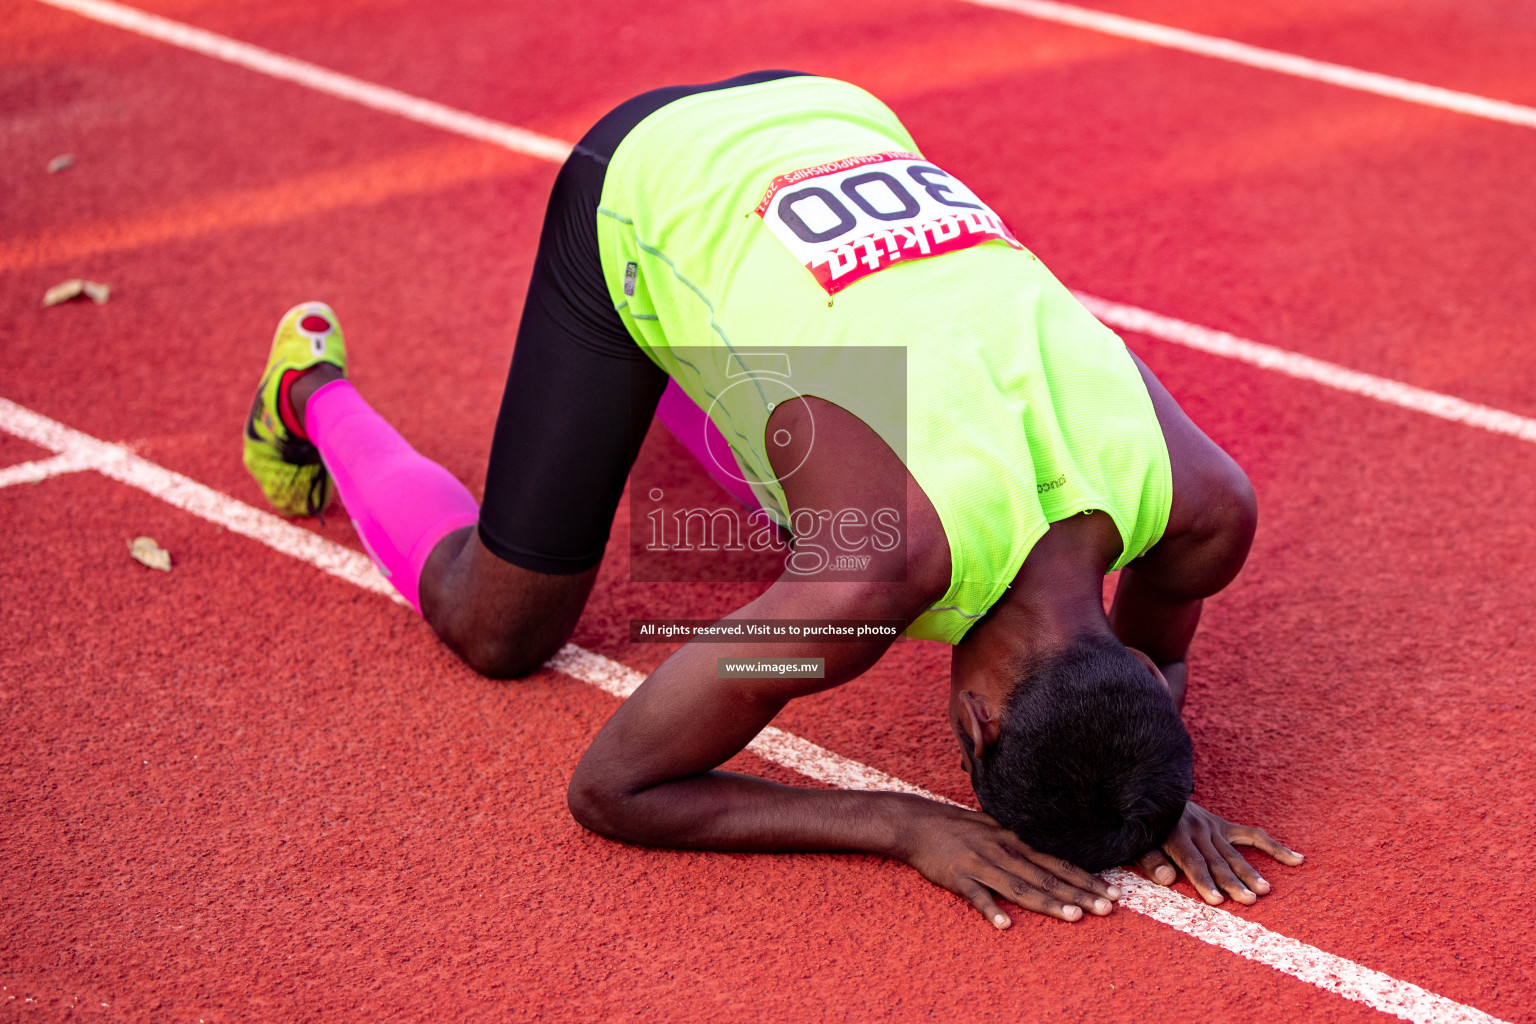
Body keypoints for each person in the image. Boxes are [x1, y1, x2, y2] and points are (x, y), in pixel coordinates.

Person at [242, 71, 1302, 928]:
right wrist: (901, 824)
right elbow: (614, 787)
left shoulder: (1208, 506)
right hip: (653, 169)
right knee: (499, 624)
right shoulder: (867, 577)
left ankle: (668, 382)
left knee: (819, 486)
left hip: (840, 114)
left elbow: (1156, 669)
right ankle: (307, 390)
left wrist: (1145, 785)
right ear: (975, 725)